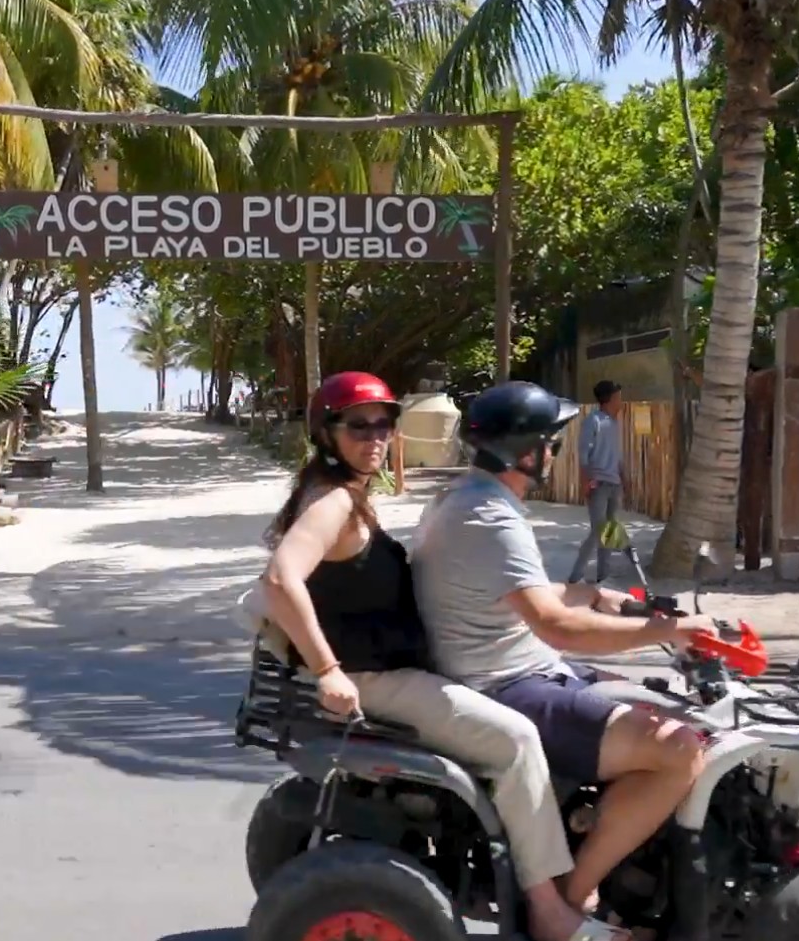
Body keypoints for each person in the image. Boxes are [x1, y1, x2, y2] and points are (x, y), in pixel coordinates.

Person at [259, 372, 629, 941]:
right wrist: (329, 671)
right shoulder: (332, 500)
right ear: (326, 433)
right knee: (516, 740)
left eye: (385, 423)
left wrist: (587, 595)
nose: (375, 436)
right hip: (376, 678)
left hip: (390, 669)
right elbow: (282, 578)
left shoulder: (344, 491)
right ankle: (549, 909)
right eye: (359, 425)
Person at [413, 380, 728, 917]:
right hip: (508, 684)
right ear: (526, 451)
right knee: (682, 748)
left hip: (516, 668)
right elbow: (558, 628)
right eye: (550, 441)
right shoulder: (492, 518)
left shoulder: (467, 499)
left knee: (661, 706)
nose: (556, 451)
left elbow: (517, 596)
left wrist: (592, 594)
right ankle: (575, 892)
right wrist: (673, 631)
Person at [566, 380, 624, 584]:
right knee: (598, 530)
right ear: (608, 399)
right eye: (618, 397)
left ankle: (603, 576)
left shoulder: (614, 422)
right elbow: (583, 454)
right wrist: (585, 481)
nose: (620, 401)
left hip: (614, 483)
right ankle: (576, 576)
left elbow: (617, 455)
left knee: (609, 530)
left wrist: (623, 478)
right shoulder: (593, 420)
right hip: (598, 483)